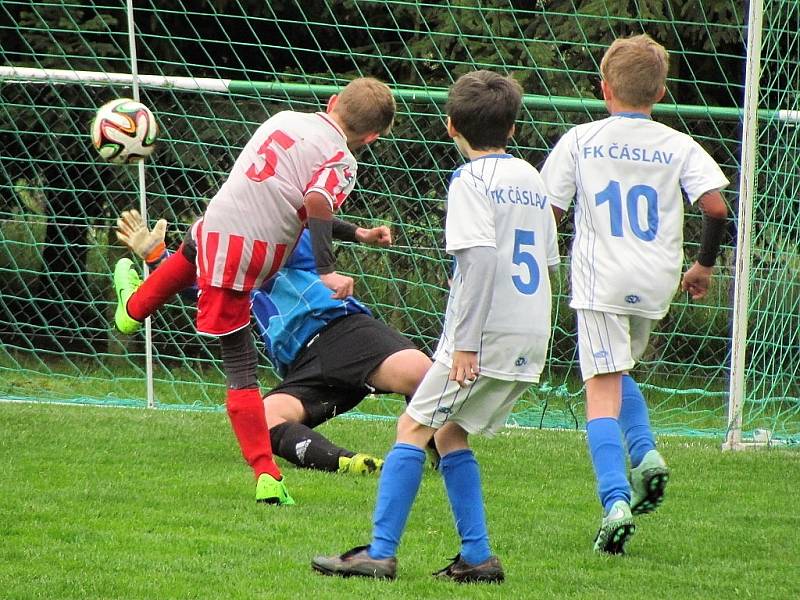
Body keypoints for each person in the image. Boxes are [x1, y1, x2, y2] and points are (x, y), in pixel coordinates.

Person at [310, 70, 560, 583]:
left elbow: (483, 263)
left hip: (482, 336)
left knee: (412, 427)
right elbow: (550, 262)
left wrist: (466, 344)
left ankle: (379, 553)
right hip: (530, 332)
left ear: (450, 126)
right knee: (450, 433)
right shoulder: (533, 180)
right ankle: (478, 557)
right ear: (512, 129)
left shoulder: (471, 181)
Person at [112, 77, 396, 506]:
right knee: (241, 369)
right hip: (256, 257)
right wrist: (326, 270)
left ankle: (133, 308)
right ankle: (266, 474)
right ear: (372, 136)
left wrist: (357, 232)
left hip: (218, 222)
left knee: (193, 249)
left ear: (333, 101)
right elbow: (316, 202)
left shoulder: (284, 118)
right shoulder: (342, 161)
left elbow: (291, 198)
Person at [540, 34, 729, 554]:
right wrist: (703, 265)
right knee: (618, 371)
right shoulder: (678, 143)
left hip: (603, 281)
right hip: (656, 280)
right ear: (661, 91)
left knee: (600, 389)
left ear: (604, 88)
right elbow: (715, 207)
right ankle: (646, 456)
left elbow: (549, 213)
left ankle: (615, 501)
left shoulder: (580, 139)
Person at [116, 209, 432, 476]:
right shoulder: (236, 280)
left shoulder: (286, 241)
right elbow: (192, 285)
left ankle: (440, 453)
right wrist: (157, 255)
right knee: (262, 420)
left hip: (344, 332)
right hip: (302, 364)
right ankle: (350, 463)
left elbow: (310, 219)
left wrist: (357, 233)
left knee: (421, 373)